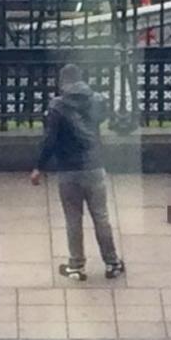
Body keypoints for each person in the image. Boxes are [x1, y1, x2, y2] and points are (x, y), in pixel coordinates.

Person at [31, 64, 125, 282]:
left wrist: (39, 166)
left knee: (73, 219)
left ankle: (76, 265)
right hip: (94, 166)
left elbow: (49, 140)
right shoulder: (97, 100)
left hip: (68, 170)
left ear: (63, 82)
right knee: (101, 217)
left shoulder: (57, 107)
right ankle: (112, 263)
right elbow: (101, 119)